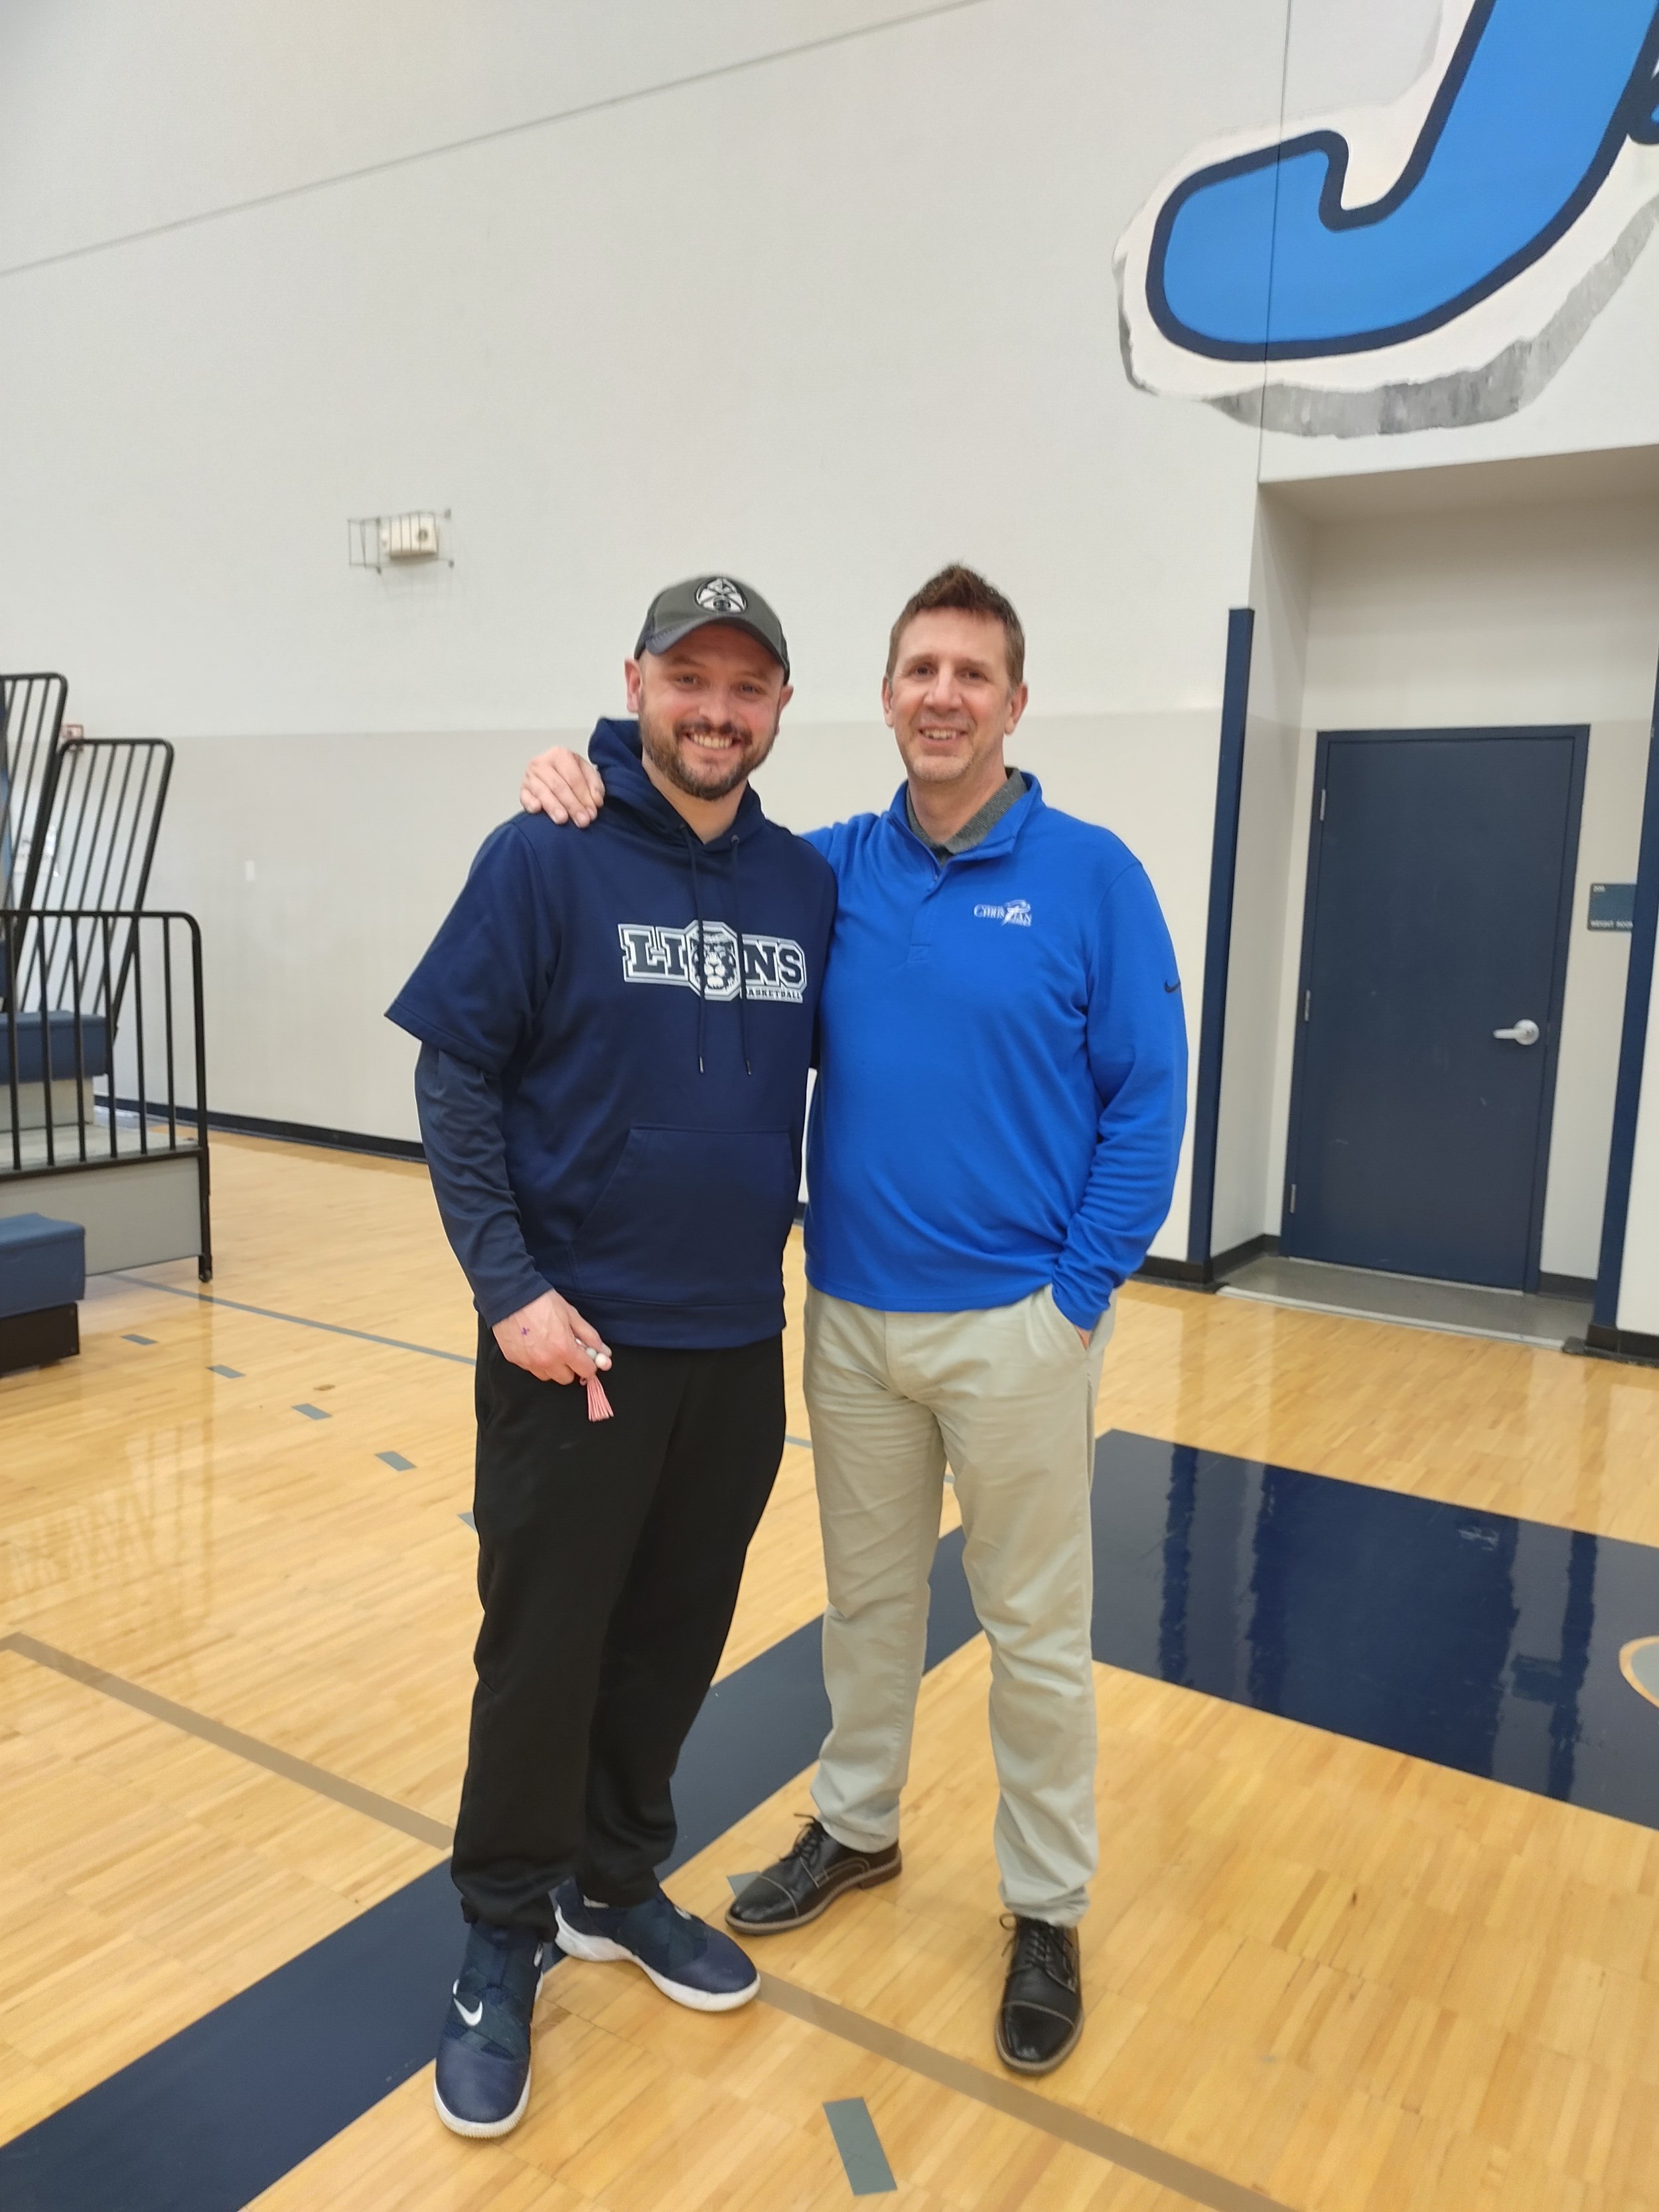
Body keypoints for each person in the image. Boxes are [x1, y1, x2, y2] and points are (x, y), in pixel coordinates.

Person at [520, 563, 1186, 2076]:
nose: (941, 694)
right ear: (882, 698)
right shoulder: (824, 875)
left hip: (1018, 1327)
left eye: (970, 671)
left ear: (1013, 702)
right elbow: (686, 847)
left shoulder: (1090, 875)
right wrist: (584, 762)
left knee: (1033, 1635)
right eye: (916, 669)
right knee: (867, 1609)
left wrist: (1074, 1297)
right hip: (850, 1325)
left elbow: (1146, 1098)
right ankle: (859, 1825)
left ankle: (1043, 1903)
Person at [390, 574, 835, 2138]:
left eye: (748, 685)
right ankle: (500, 1933)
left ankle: (611, 1878)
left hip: (732, 1342)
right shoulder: (543, 852)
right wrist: (505, 1287)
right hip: (569, 1344)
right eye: (689, 678)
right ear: (635, 682)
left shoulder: (805, 883)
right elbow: (455, 1083)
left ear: (780, 707)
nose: (716, 710)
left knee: (670, 1637)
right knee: (541, 1651)